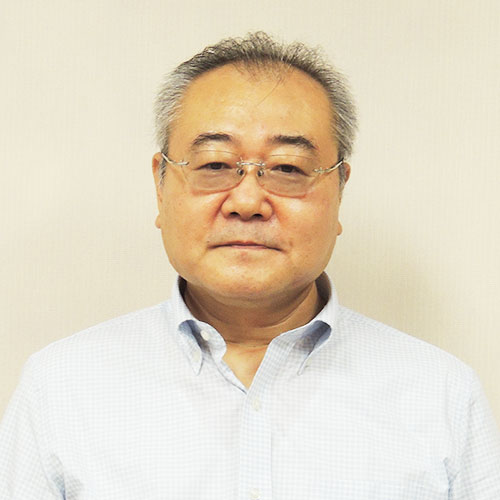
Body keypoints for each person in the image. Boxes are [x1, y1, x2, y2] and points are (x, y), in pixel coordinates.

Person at [1, 32, 499, 500]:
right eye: (215, 165)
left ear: (339, 190)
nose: (246, 202)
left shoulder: (440, 394)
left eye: (287, 168)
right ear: (160, 185)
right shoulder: (62, 387)